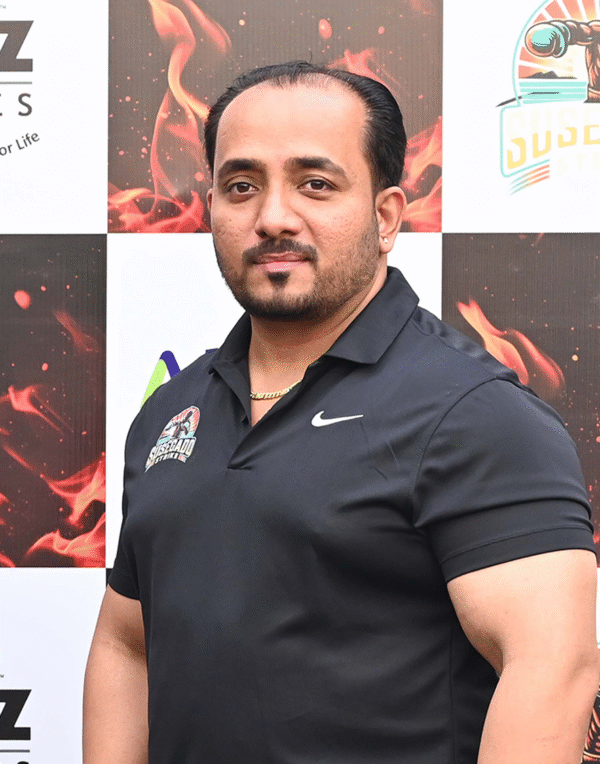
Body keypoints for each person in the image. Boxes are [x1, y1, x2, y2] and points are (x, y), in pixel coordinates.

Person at [83, 61, 599, 764]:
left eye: (315, 184)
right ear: (211, 209)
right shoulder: (170, 413)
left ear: (386, 217)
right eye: (241, 186)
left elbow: (553, 669)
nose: (272, 217)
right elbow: (127, 643)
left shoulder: (474, 414)